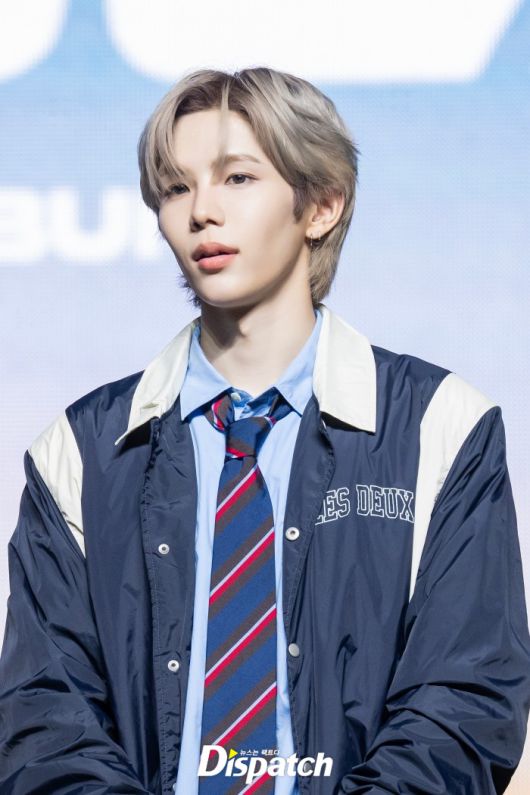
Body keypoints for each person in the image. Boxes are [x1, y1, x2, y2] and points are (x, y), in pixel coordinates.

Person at [0, 66, 529, 795]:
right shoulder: (80, 453)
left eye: (238, 178)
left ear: (322, 205)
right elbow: (44, 721)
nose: (201, 211)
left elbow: (464, 706)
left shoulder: (443, 427)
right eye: (176, 187)